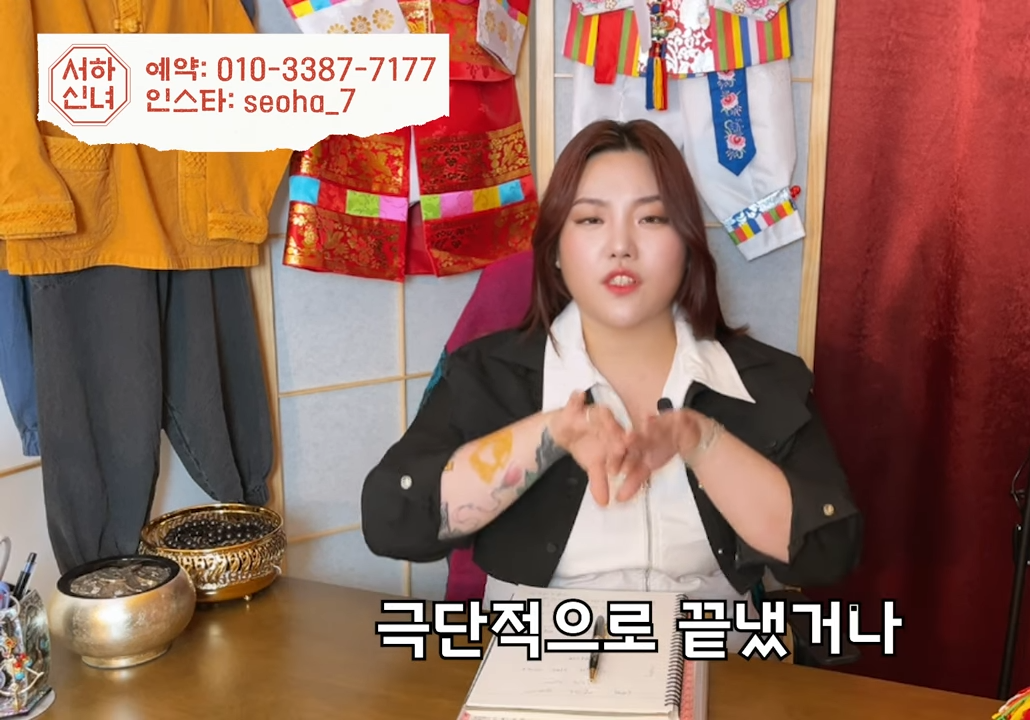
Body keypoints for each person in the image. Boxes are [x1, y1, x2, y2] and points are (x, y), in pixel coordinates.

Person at [361, 119, 862, 648]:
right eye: (591, 219)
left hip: (715, 662)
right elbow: (392, 522)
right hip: (535, 663)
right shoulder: (485, 375)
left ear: (688, 244)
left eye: (651, 218)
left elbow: (831, 552)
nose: (621, 245)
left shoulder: (766, 380)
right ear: (555, 250)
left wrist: (703, 442)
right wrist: (549, 435)